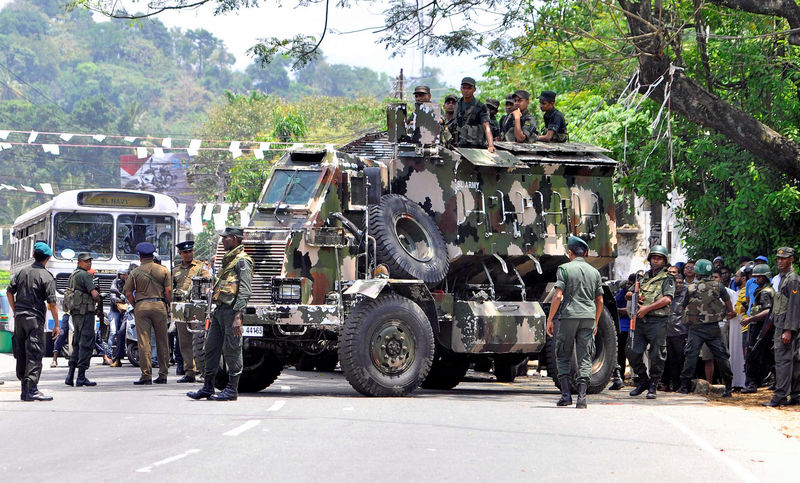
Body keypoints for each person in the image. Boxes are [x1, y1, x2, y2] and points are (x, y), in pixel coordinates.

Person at [188, 227, 253, 402]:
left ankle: (232, 389)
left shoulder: (242, 261)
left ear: (234, 239)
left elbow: (245, 290)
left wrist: (238, 316)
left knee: (232, 349)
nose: (222, 241)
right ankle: (208, 386)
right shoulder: (228, 261)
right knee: (211, 347)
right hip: (219, 310)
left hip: (232, 311)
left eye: (225, 238)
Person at [546, 236, 603, 408]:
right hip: (588, 318)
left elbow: (557, 295)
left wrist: (550, 319)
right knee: (585, 356)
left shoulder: (564, 269)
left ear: (570, 252)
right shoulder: (595, 272)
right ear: (585, 253)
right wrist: (596, 321)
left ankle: (566, 396)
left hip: (569, 316)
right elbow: (600, 300)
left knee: (563, 354)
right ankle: (582, 399)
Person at [7, 242, 59, 401]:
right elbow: (52, 304)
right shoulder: (46, 276)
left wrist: (15, 309)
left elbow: (10, 292)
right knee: (34, 353)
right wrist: (56, 325)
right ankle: (32, 390)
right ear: (48, 258)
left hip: (20, 318)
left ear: (33, 255)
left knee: (21, 352)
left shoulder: (22, 272)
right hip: (34, 319)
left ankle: (25, 390)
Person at [677, 259, 735, 397]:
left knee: (690, 356)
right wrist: (729, 313)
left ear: (697, 272)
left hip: (696, 328)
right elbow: (728, 304)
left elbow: (683, 307)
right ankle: (728, 388)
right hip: (714, 327)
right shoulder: (719, 286)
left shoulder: (691, 288)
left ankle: (684, 386)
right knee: (722, 356)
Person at [626, 245, 675, 399]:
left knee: (657, 354)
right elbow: (628, 292)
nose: (655, 260)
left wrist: (647, 308)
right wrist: (635, 296)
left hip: (657, 321)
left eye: (659, 258)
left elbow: (667, 298)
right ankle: (643, 380)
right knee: (631, 351)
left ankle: (653, 384)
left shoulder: (668, 278)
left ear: (664, 261)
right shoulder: (643, 277)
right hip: (640, 321)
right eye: (653, 257)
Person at [124, 242, 172, 385]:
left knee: (144, 342)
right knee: (163, 341)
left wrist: (136, 305)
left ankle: (146, 375)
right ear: (153, 255)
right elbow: (168, 291)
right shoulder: (163, 270)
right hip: (159, 305)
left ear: (140, 256)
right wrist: (168, 305)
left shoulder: (135, 272)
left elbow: (128, 293)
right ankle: (163, 375)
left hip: (142, 306)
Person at [763, 247, 800, 407]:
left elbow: (794, 306)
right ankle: (796, 395)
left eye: (783, 258)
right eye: (778, 258)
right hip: (782, 325)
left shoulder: (792, 280)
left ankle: (780, 396)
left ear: (791, 259)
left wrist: (788, 330)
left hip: (787, 327)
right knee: (793, 361)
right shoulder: (784, 278)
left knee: (783, 361)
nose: (780, 261)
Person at [172, 240, 210, 383]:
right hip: (181, 307)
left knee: (199, 339)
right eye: (185, 252)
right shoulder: (175, 270)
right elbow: (170, 288)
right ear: (180, 254)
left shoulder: (201, 266)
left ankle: (203, 371)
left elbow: (207, 283)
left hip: (197, 306)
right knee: (184, 341)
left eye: (190, 251)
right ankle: (189, 372)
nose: (188, 254)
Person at [64, 252, 101, 388]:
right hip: (85, 313)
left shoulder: (73, 274)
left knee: (76, 343)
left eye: (90, 261)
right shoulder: (85, 275)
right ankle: (81, 377)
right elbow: (94, 294)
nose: (89, 263)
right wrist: (98, 295)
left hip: (76, 314)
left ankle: (70, 375)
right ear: (79, 262)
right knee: (86, 343)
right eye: (86, 262)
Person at [741, 263, 775, 393]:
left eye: (759, 277)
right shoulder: (767, 290)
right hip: (766, 327)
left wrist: (750, 319)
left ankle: (752, 384)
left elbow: (767, 311)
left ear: (765, 277)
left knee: (753, 354)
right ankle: (774, 381)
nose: (755, 280)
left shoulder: (765, 293)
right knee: (768, 355)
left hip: (760, 327)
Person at [453, 77, 495, 152]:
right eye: (464, 88)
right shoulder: (457, 104)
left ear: (474, 89)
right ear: (461, 89)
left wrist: (491, 145)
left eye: (469, 88)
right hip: (459, 146)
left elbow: (486, 126)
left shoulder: (480, 106)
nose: (466, 91)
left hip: (475, 146)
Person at [609, 273, 635, 390]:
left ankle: (637, 378)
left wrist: (625, 311)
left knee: (632, 354)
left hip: (632, 328)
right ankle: (620, 378)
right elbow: (614, 306)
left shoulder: (639, 293)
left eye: (632, 284)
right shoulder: (622, 292)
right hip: (622, 327)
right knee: (620, 355)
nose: (629, 286)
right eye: (628, 283)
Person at [664, 274, 687, 392]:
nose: (678, 285)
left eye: (681, 282)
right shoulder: (667, 294)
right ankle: (674, 385)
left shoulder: (686, 295)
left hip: (681, 332)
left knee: (681, 359)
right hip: (667, 332)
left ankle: (683, 385)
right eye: (676, 282)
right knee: (670, 360)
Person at [108, 268, 129, 366]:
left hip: (131, 310)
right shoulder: (115, 283)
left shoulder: (131, 283)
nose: (124, 276)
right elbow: (112, 297)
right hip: (117, 310)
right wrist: (120, 299)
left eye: (125, 274)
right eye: (122, 274)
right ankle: (113, 357)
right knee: (116, 332)